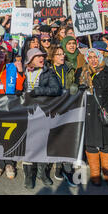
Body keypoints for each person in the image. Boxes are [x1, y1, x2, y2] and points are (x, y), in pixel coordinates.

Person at [78, 48, 108, 190]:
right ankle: (95, 174)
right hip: (88, 112)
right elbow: (76, 92)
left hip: (106, 112)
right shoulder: (82, 72)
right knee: (91, 143)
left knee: (107, 144)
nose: (93, 60)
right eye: (89, 57)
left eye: (95, 57)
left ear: (100, 57)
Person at [21, 48, 62, 189]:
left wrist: (38, 91)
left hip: (43, 112)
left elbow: (57, 89)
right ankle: (28, 175)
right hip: (26, 112)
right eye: (37, 56)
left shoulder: (48, 72)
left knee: (43, 144)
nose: (41, 58)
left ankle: (42, 173)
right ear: (31, 59)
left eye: (42, 56)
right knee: (28, 145)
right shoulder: (23, 72)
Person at [0, 46, 24, 180]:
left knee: (9, 135)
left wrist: (20, 72)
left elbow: (18, 87)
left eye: (3, 52)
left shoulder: (11, 67)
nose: (1, 54)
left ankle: (10, 164)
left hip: (9, 105)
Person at [48, 46, 78, 187]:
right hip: (53, 109)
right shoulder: (47, 70)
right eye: (58, 54)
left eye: (62, 54)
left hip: (67, 108)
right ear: (52, 57)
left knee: (66, 138)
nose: (61, 56)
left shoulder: (69, 68)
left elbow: (74, 85)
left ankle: (67, 169)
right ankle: (57, 166)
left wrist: (75, 88)